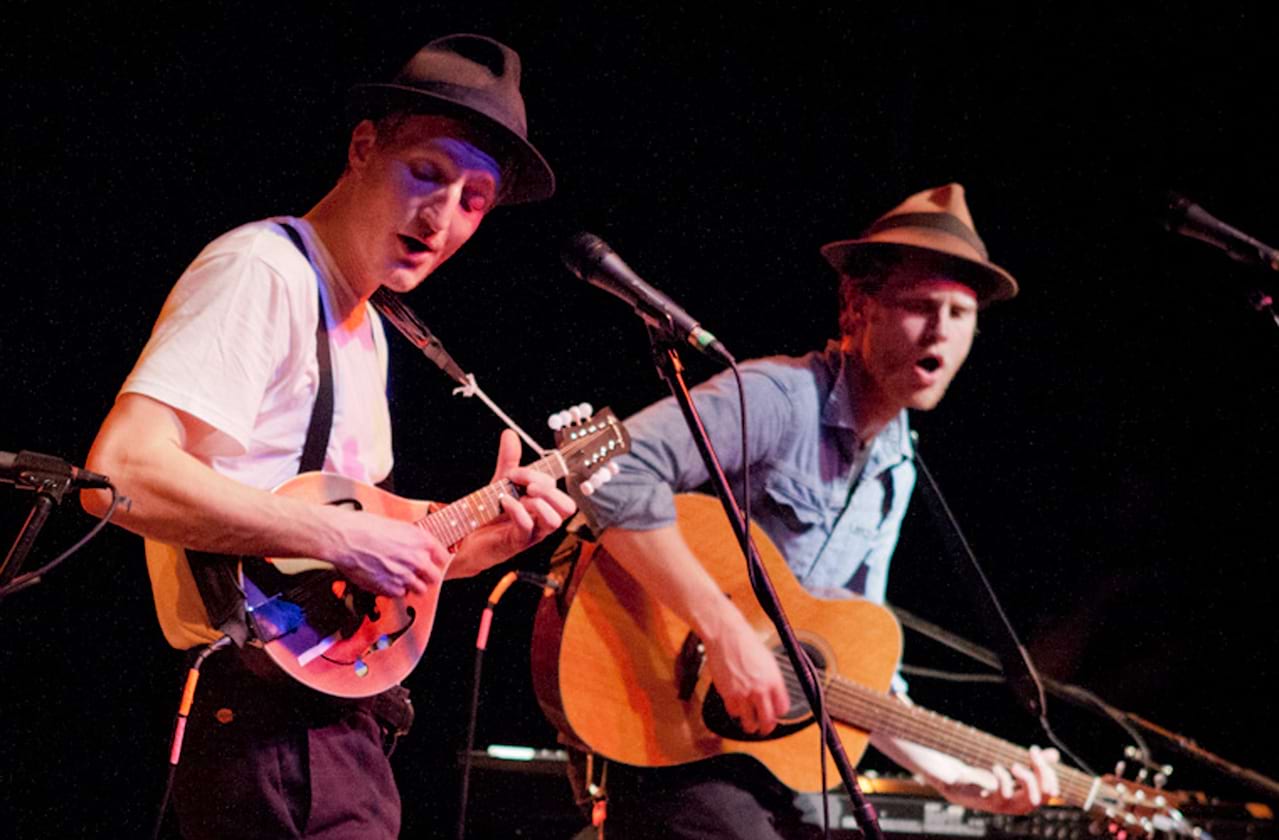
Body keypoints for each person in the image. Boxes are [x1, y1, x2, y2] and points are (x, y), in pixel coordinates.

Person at [81, 34, 576, 839]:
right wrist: (340, 535)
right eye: (428, 173)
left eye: (474, 200)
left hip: (334, 720)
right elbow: (120, 470)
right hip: (261, 725)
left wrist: (462, 546)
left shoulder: (374, 327)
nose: (442, 216)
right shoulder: (263, 271)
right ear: (362, 147)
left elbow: (334, 564)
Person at [565, 184, 1059, 838]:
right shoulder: (777, 397)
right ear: (856, 307)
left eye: (959, 314)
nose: (940, 331)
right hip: (671, 733)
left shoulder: (897, 468)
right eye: (918, 306)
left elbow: (852, 660)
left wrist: (949, 775)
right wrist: (724, 628)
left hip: (772, 759)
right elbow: (601, 461)